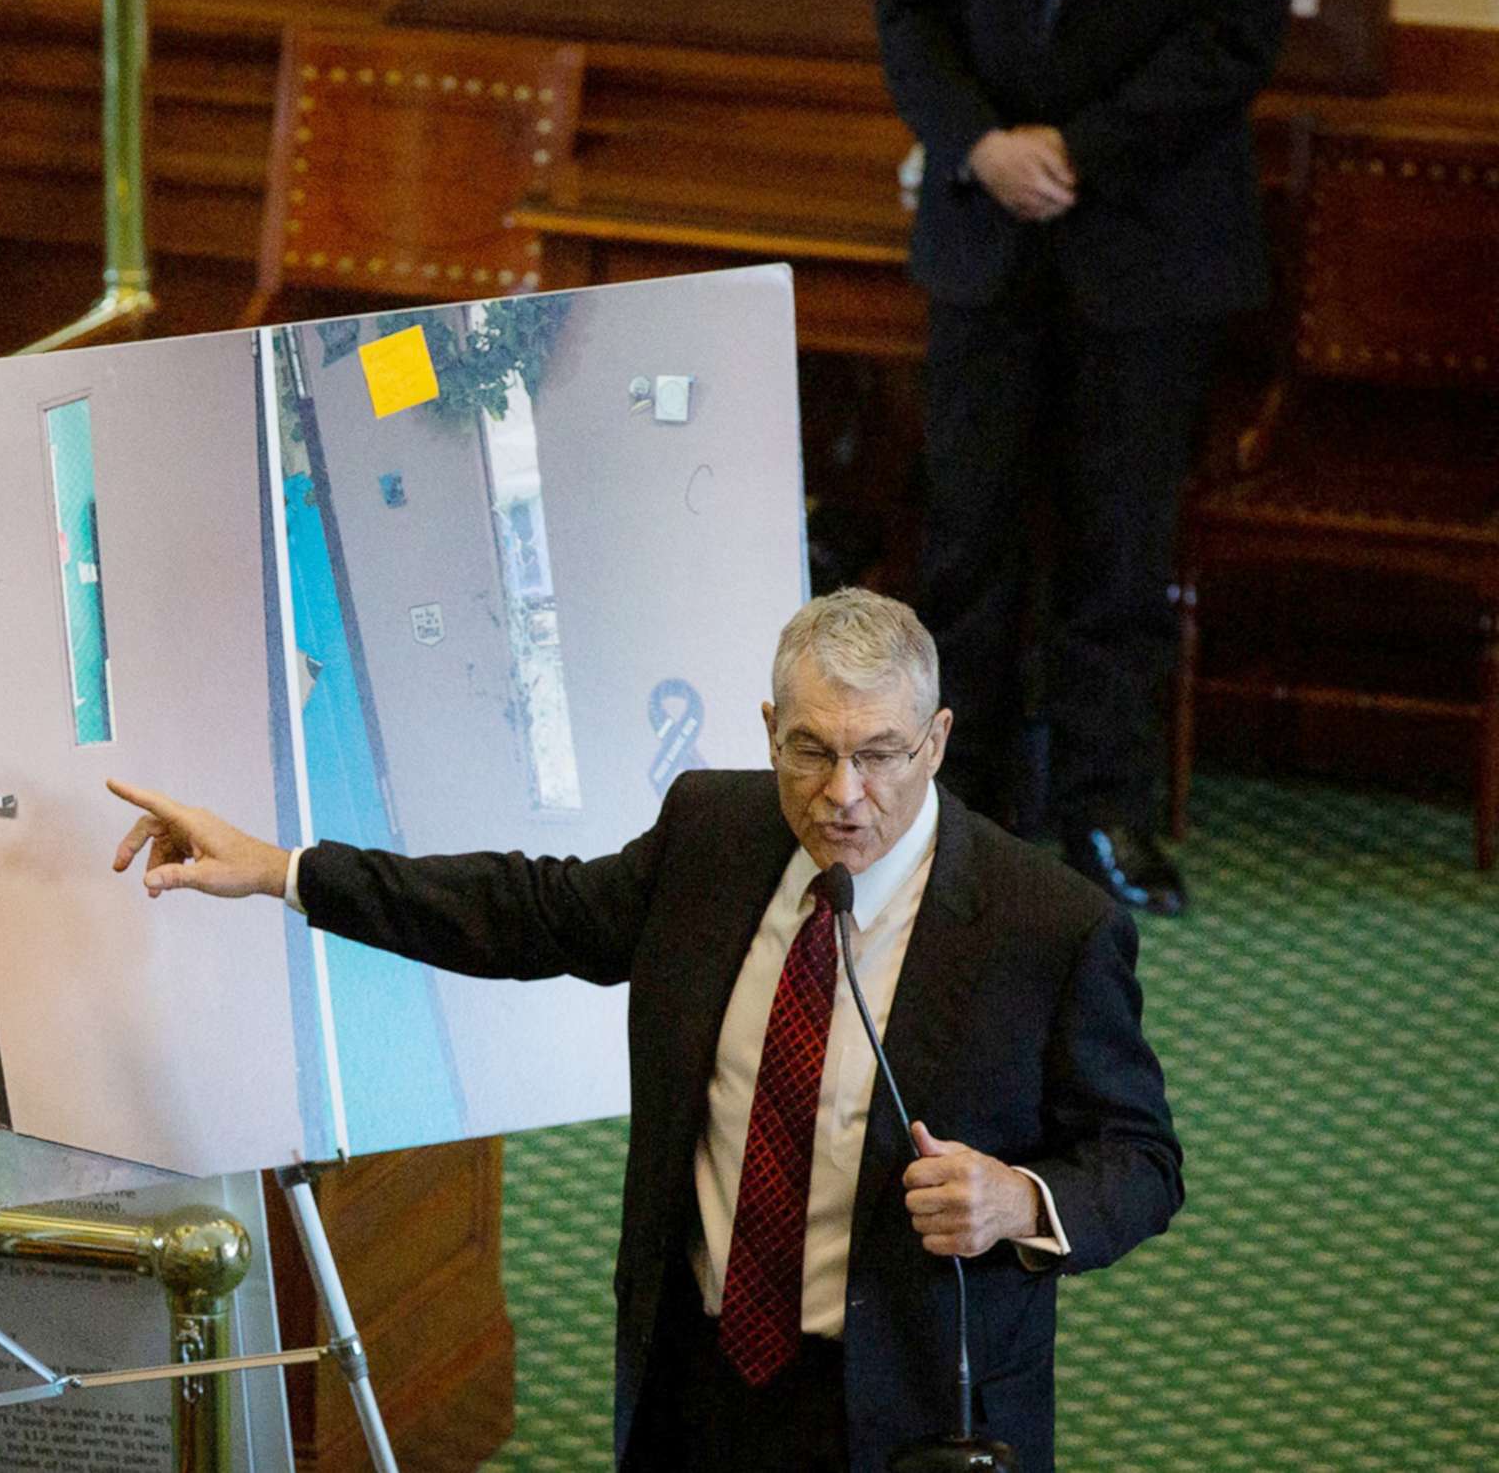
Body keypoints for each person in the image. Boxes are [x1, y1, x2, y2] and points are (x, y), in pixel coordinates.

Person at [107, 589, 1180, 1473]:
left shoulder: (1050, 927)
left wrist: (1019, 1202)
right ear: (767, 731)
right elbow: (521, 909)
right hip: (697, 1382)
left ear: (938, 741)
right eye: (810, 751)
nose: (845, 796)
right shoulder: (712, 833)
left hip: (900, 1413)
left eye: (882, 755)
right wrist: (280, 870)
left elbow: (1139, 1162)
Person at [876, 0, 1300, 916]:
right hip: (985, 241)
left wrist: (1073, 151)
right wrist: (981, 144)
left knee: (1119, 547)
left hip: (1151, 244)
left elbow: (1236, 40)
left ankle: (1103, 808)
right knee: (965, 543)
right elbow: (911, 11)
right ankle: (954, 799)